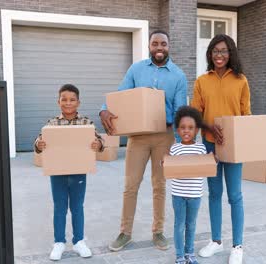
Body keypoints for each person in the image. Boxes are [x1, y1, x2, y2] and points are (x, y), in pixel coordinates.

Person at [99, 30, 187, 251]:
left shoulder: (178, 75)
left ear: (169, 46)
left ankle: (158, 232)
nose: (159, 47)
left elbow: (179, 111)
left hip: (164, 136)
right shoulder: (136, 69)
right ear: (149, 45)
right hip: (137, 137)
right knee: (131, 185)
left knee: (159, 185)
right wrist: (104, 110)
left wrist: (181, 143)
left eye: (163, 43)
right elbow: (121, 95)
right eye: (155, 43)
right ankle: (125, 232)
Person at [191, 34, 251, 264]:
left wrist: (245, 142)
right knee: (214, 194)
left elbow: (246, 114)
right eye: (215, 51)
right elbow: (195, 114)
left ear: (231, 53)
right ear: (210, 54)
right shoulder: (202, 80)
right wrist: (208, 127)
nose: (219, 55)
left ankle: (237, 245)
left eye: (224, 51)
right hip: (209, 143)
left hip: (233, 145)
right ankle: (216, 241)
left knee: (235, 196)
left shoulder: (241, 80)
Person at [35, 84, 105, 261]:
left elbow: (100, 141)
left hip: (79, 172)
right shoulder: (51, 123)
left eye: (72, 99)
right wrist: (39, 144)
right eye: (64, 99)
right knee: (59, 207)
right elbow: (38, 142)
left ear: (78, 102)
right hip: (57, 173)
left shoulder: (86, 123)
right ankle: (59, 242)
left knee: (77, 207)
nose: (68, 103)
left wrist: (98, 144)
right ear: (58, 102)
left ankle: (79, 241)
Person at [168, 106, 207, 264]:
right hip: (178, 195)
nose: (186, 131)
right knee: (179, 225)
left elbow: (207, 167)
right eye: (183, 128)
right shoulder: (175, 149)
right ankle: (179, 255)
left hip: (195, 195)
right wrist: (164, 161)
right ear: (177, 129)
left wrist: (213, 160)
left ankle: (189, 253)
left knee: (191, 225)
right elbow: (169, 167)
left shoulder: (201, 148)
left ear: (196, 130)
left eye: (190, 128)